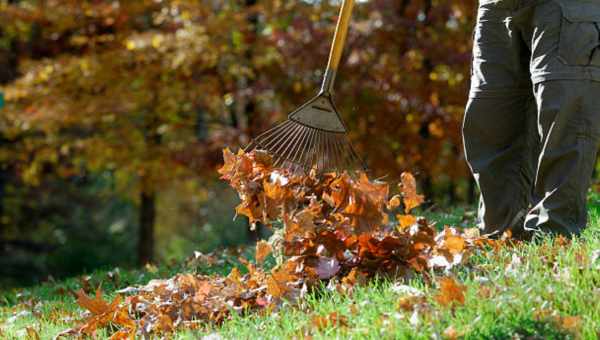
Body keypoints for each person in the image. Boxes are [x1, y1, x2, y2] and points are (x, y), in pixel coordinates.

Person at [462, 0, 600, 239]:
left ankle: (554, 238)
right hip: (496, 5)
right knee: (490, 119)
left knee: (564, 119)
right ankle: (501, 239)